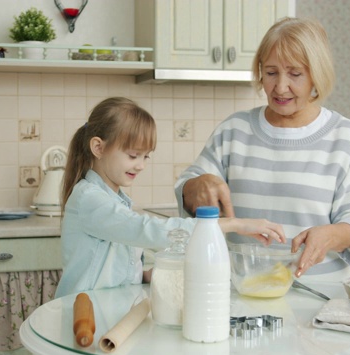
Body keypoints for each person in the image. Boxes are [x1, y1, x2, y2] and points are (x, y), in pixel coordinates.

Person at [175, 17, 350, 280]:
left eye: (295, 74)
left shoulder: (344, 136)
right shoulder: (234, 130)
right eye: (271, 72)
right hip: (243, 291)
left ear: (316, 76)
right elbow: (187, 189)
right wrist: (196, 186)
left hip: (321, 297)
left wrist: (332, 235)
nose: (280, 86)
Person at [54, 97, 286, 298]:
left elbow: (115, 260)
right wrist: (236, 224)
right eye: (134, 155)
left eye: (146, 157)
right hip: (85, 315)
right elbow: (148, 230)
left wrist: (144, 275)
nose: (141, 165)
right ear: (98, 147)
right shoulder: (89, 199)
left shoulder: (116, 200)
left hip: (110, 310)